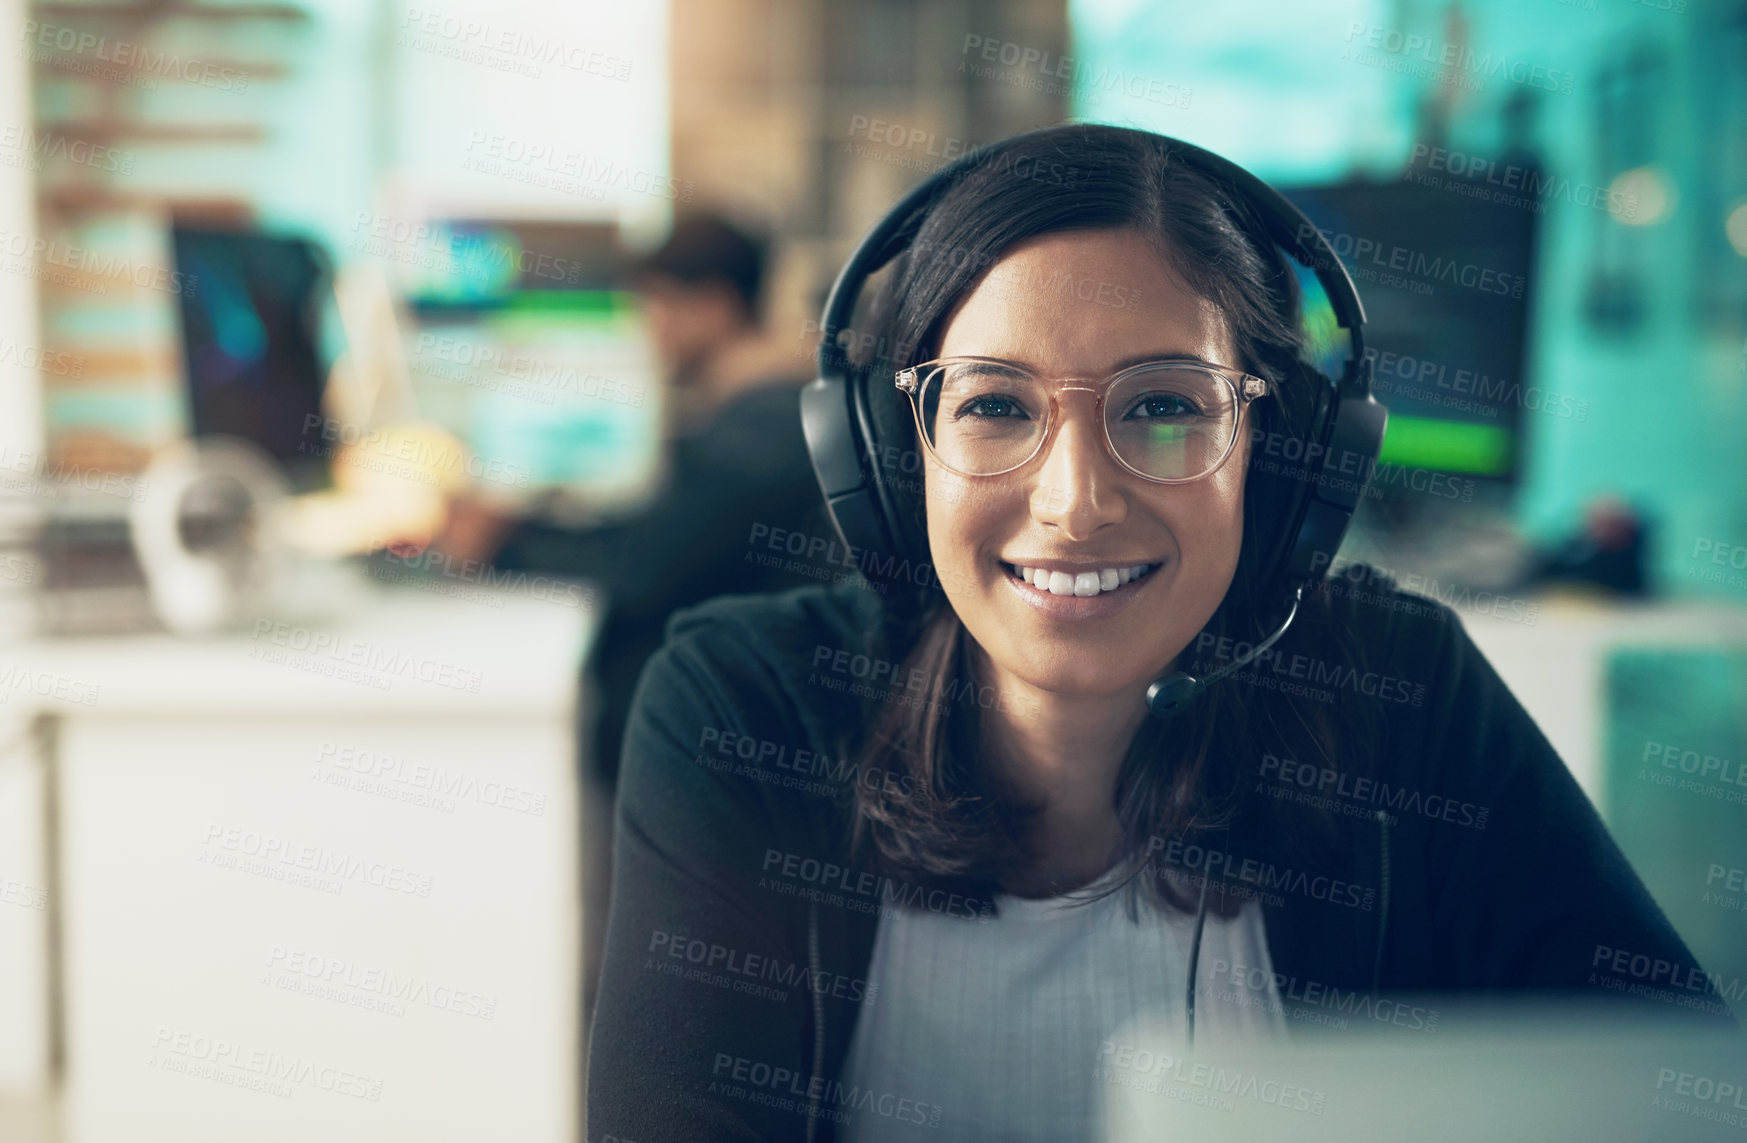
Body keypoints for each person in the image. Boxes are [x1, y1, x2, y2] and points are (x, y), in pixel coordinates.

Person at [585, 126, 1722, 1142]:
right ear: (891, 457)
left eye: (1165, 405)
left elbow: (1678, 1098)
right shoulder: (746, 706)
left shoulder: (1400, 692)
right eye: (993, 405)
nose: (1074, 500)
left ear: (1280, 465)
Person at [435, 212, 828, 1035]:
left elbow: (645, 563)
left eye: (655, 307)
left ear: (711, 306)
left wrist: (502, 540)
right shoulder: (753, 409)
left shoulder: (760, 424)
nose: (644, 332)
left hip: (718, 744)